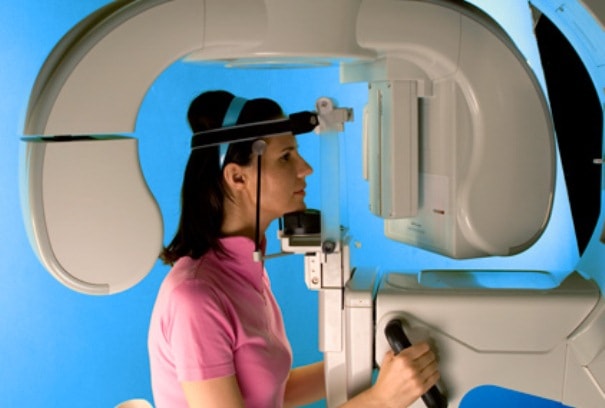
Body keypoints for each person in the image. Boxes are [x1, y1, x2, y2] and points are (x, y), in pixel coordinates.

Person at [148, 90, 440, 408]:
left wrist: (366, 356)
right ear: (237, 177)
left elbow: (275, 392)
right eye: (286, 157)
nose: (305, 168)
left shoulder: (244, 269)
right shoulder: (195, 298)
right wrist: (382, 400)